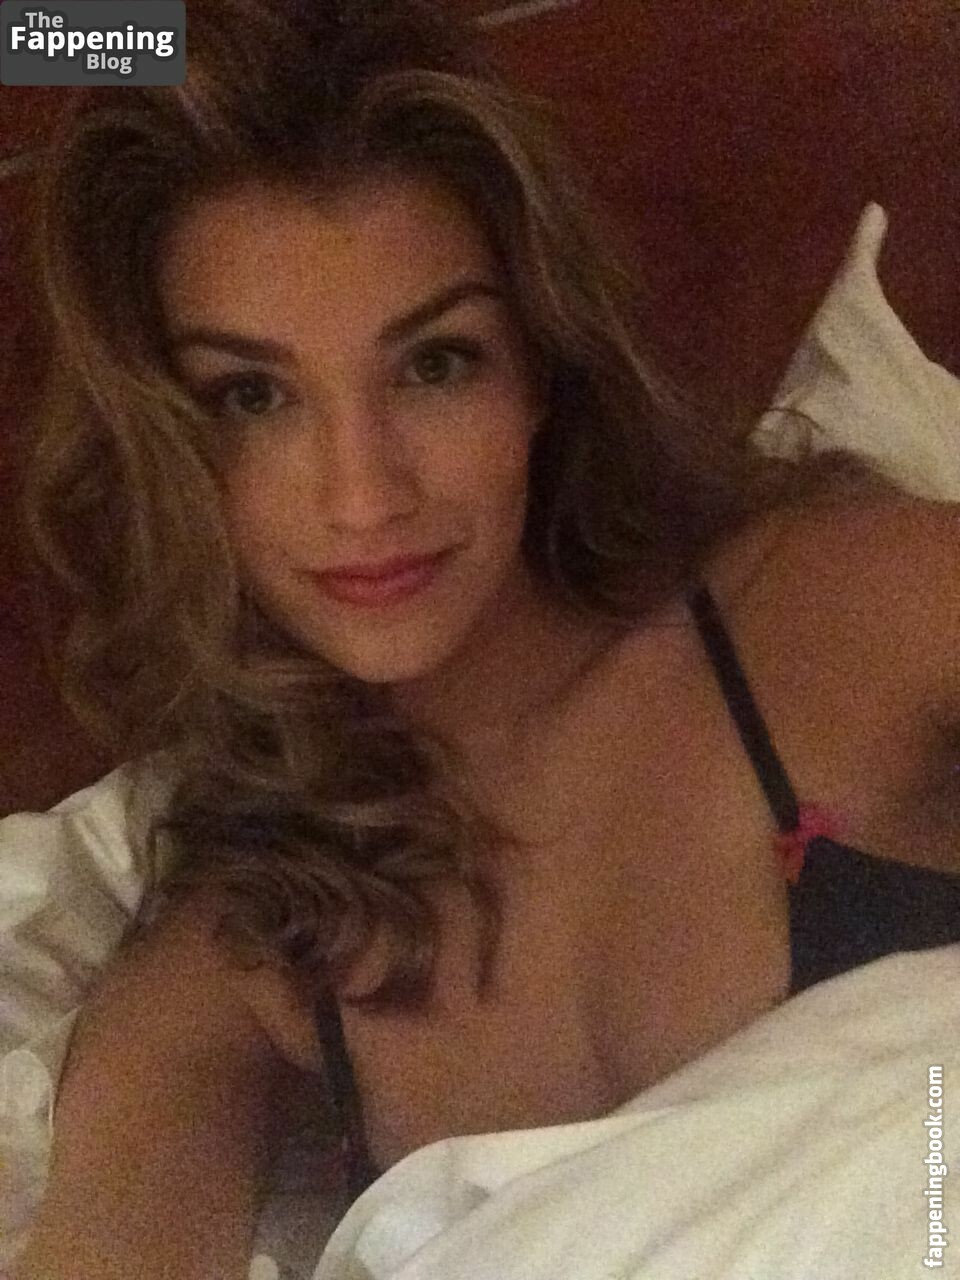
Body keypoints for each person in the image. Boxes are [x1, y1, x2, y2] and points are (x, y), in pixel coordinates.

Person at [8, 0, 960, 1275]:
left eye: (436, 363)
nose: (363, 494)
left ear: (541, 365)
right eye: (253, 395)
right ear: (162, 446)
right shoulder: (237, 958)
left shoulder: (841, 608)